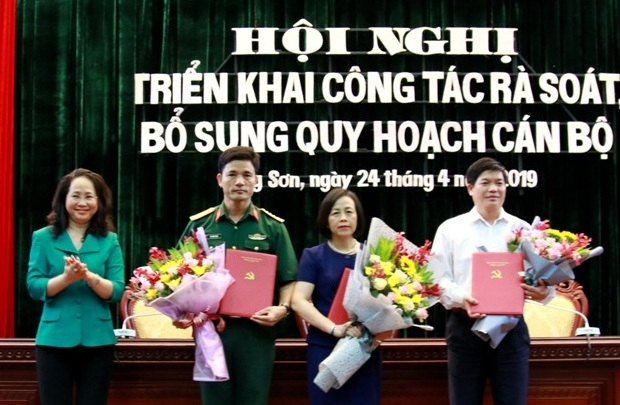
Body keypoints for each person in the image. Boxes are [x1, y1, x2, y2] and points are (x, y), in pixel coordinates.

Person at [176, 146, 298, 405]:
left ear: (256, 181)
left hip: (256, 333)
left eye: (247, 175)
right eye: (232, 174)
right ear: (220, 179)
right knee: (215, 401)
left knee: (254, 400)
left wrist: (283, 308)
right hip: (212, 331)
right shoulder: (200, 225)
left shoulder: (273, 227)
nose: (240, 181)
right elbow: (178, 274)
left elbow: (288, 279)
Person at [428, 157, 553, 405]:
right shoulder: (450, 229)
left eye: (499, 183)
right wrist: (462, 298)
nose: (493, 189)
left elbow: (541, 279)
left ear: (506, 187)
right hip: (465, 329)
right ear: (470, 187)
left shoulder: (524, 230)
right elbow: (437, 280)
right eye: (485, 183)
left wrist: (544, 292)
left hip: (511, 330)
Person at [26, 168, 126, 405]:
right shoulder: (43, 237)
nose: (83, 203)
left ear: (99, 202)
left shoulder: (109, 240)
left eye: (89, 196)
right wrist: (67, 278)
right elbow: (34, 286)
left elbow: (116, 290)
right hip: (54, 340)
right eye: (76, 196)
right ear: (64, 199)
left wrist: (89, 277)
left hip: (98, 340)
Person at [291, 187, 382, 405]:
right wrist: (335, 328)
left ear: (358, 218)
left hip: (363, 348)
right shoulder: (313, 256)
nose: (343, 218)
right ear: (326, 220)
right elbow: (298, 301)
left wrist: (378, 335)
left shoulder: (372, 256)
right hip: (325, 347)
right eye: (335, 213)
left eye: (349, 212)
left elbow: (387, 303)